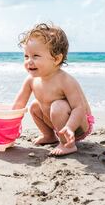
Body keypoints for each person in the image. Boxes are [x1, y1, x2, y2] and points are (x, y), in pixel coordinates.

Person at [12, 23, 94, 156]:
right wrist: (5, 121)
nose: (29, 61)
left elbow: (79, 108)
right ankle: (49, 135)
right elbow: (18, 105)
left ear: (56, 59)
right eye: (26, 56)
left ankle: (68, 145)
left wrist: (70, 127)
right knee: (34, 106)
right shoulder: (31, 80)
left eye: (35, 56)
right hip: (56, 123)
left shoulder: (65, 80)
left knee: (58, 106)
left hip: (77, 125)